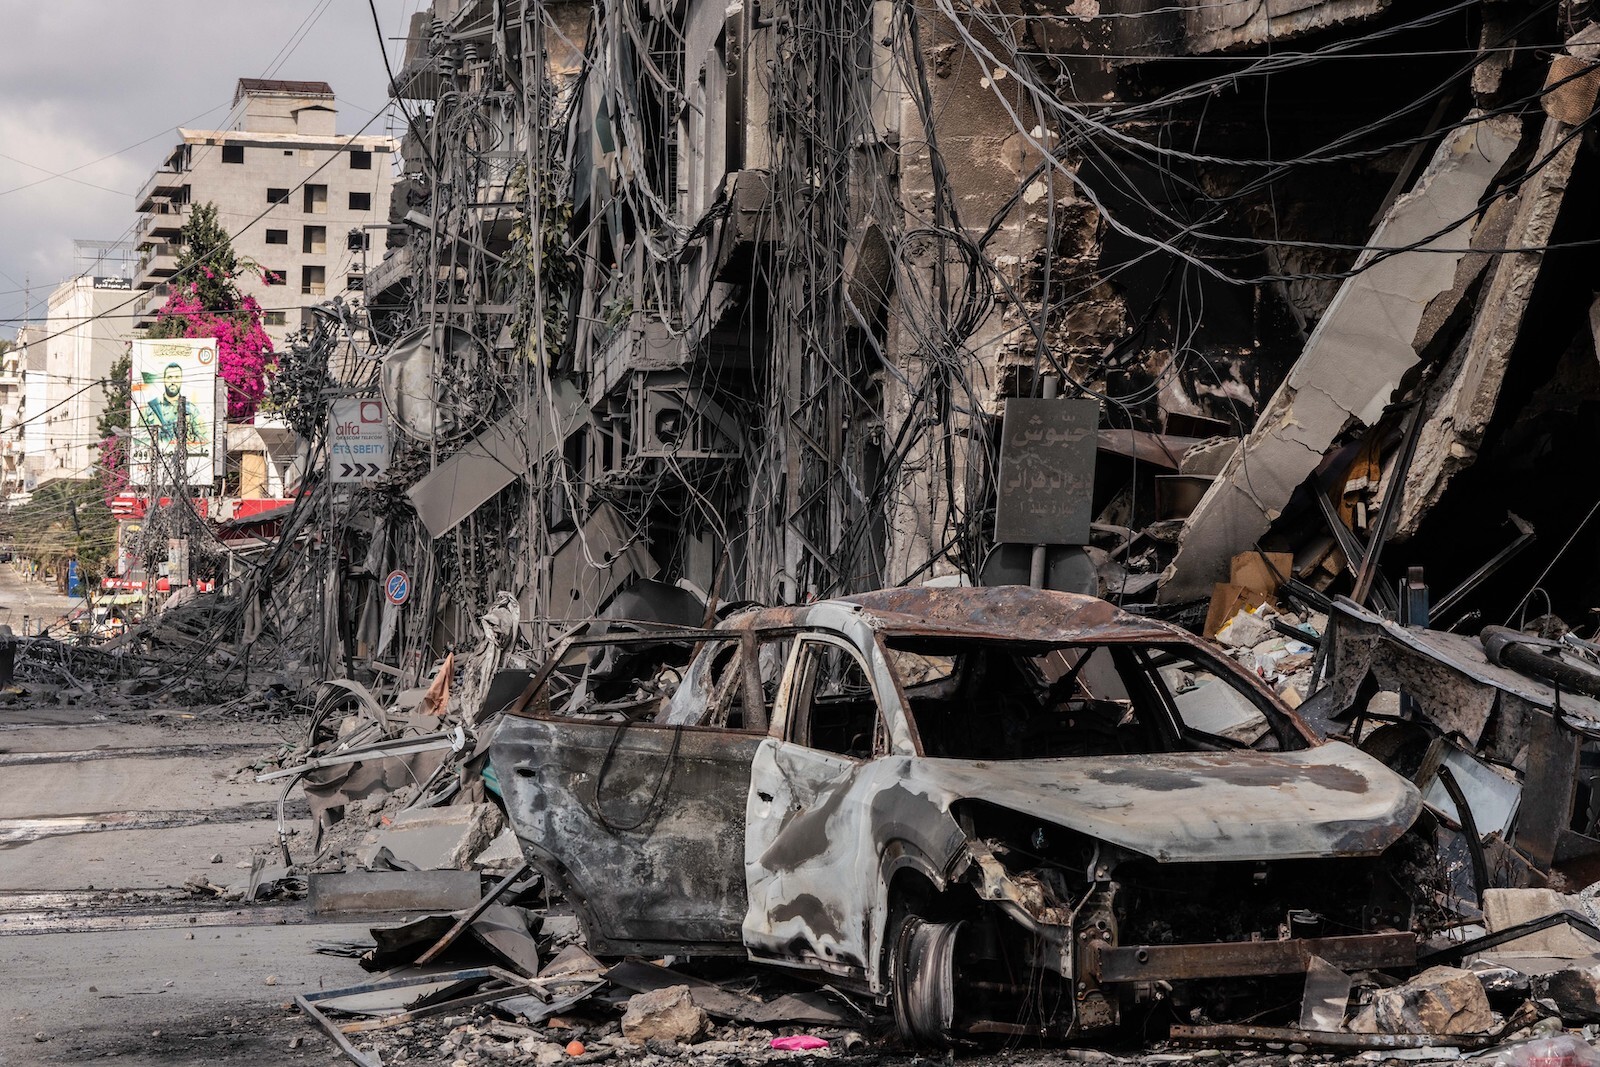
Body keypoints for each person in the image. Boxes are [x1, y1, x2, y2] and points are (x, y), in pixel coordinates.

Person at [145, 362, 207, 444]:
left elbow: (204, 440)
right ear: (164, 379)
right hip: (157, 454)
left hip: (185, 453)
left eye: (177, 377)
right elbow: (138, 438)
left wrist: (187, 439)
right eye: (169, 377)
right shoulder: (151, 410)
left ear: (181, 380)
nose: (173, 381)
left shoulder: (191, 410)